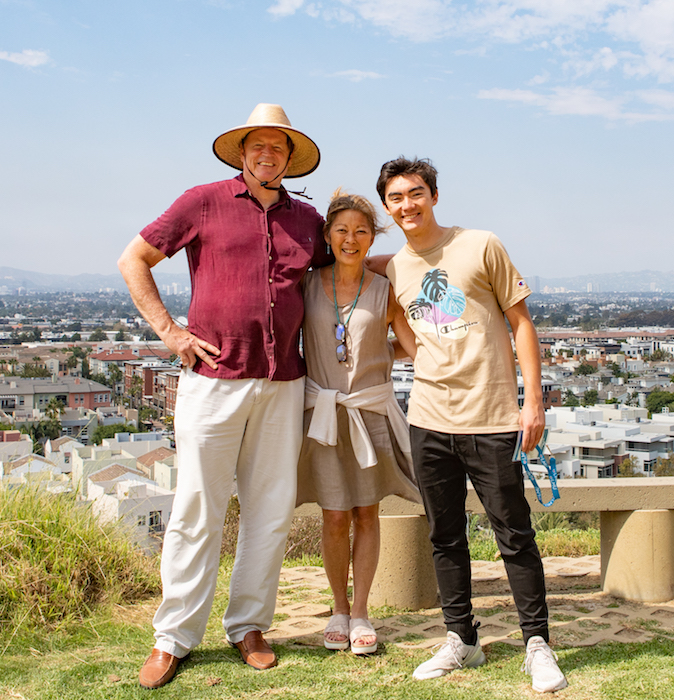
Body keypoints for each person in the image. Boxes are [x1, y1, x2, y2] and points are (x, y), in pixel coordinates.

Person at [118, 103, 332, 690]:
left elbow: (345, 273)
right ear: (242, 153)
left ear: (290, 159)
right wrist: (169, 331)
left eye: (278, 148)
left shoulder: (308, 221)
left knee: (270, 510)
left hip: (284, 382)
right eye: (257, 146)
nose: (268, 155)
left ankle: (249, 627)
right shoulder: (202, 201)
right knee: (195, 510)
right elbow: (133, 259)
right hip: (212, 382)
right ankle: (174, 639)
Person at [374, 157, 567, 693]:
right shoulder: (395, 270)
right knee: (445, 536)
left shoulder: (481, 244)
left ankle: (537, 643)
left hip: (493, 418)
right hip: (429, 421)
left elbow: (521, 323)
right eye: (396, 198)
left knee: (514, 533)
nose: (407, 205)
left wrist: (533, 404)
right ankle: (463, 639)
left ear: (434, 195)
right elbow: (405, 334)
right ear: (388, 209)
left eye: (416, 193)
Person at [296, 189, 421, 655]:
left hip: (368, 412)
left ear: (373, 237)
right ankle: (338, 608)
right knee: (332, 515)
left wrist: (376, 359)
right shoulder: (307, 283)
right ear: (327, 234)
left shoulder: (385, 289)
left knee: (367, 512)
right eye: (342, 230)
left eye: (361, 231)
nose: (351, 239)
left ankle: (363, 611)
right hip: (323, 416)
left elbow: (412, 344)